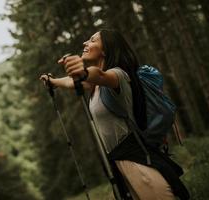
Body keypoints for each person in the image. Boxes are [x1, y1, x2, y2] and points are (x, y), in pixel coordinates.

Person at [40, 29, 189, 200]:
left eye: (92, 40)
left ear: (105, 50)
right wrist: (52, 82)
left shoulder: (118, 75)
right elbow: (71, 81)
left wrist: (84, 72)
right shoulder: (94, 86)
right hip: (120, 162)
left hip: (136, 160)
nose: (85, 43)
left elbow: (100, 74)